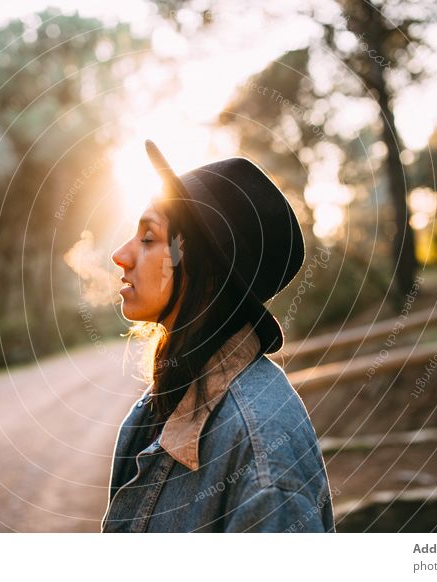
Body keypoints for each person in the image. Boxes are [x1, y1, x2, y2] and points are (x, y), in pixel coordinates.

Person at [102, 140, 335, 533]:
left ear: (205, 271)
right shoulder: (156, 405)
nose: (120, 256)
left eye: (148, 238)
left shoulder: (262, 458)